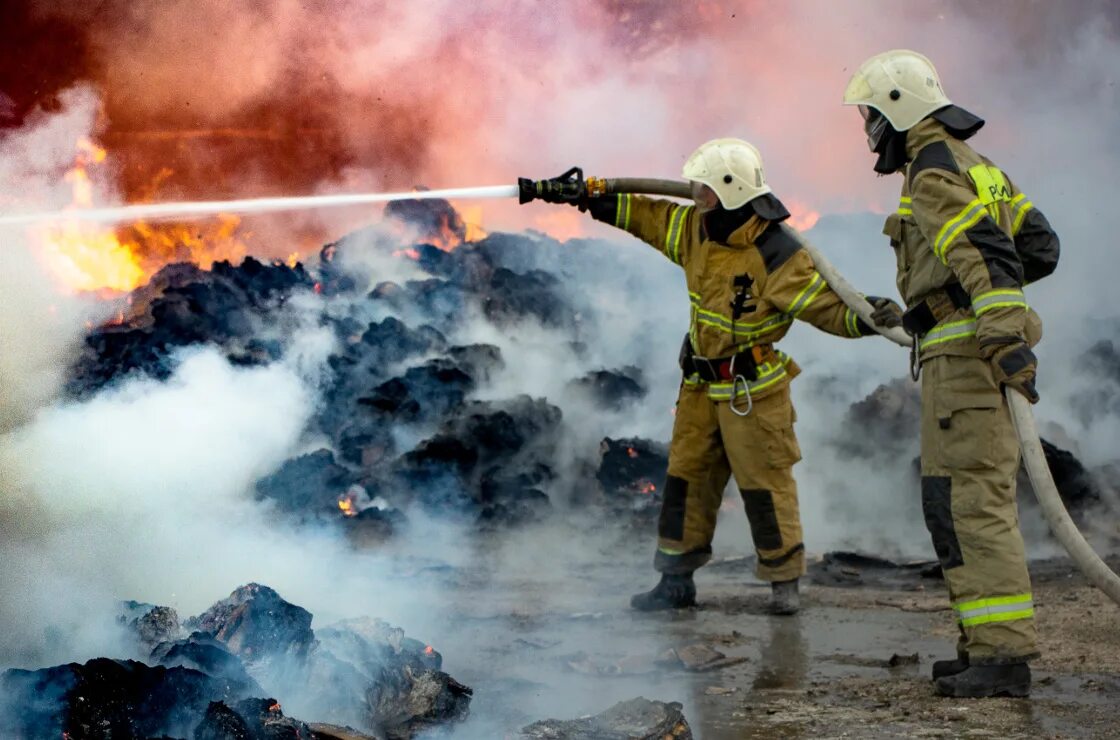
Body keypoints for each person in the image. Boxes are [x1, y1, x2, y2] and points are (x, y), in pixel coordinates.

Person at [519, 139, 901, 614]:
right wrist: (586, 197)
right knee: (686, 481)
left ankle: (784, 585)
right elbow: (646, 216)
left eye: (704, 192)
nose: (695, 199)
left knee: (765, 487)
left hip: (753, 392)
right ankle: (675, 580)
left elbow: (825, 308)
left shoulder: (777, 253)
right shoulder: (694, 230)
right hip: (700, 386)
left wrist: (869, 318)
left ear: (731, 193)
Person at [843, 50, 1060, 698]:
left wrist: (995, 328)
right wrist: (936, 305)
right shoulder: (977, 166)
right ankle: (982, 646)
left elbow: (988, 256)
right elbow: (1039, 247)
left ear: (897, 111)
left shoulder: (931, 171)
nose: (868, 128)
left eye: (872, 114)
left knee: (972, 505)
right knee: (950, 503)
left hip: (968, 363)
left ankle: (1002, 657)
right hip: (956, 351)